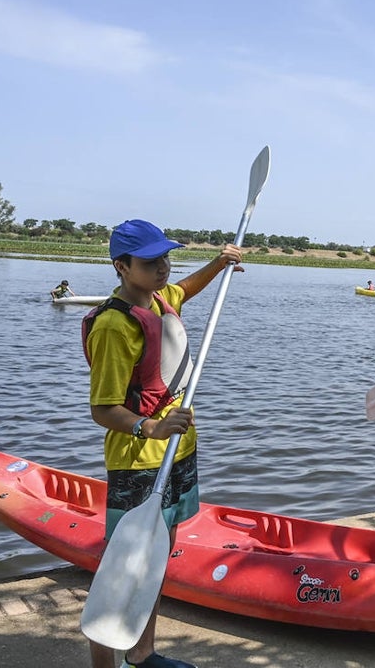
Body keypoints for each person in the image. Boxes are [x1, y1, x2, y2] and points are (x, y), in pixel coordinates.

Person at [83, 219, 243, 668]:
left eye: (166, 259)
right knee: (123, 566)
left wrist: (220, 262)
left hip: (177, 452)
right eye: (151, 262)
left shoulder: (158, 300)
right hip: (139, 460)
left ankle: (142, 653)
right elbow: (103, 408)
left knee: (155, 560)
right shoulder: (114, 327)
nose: (163, 268)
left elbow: (185, 290)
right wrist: (149, 428)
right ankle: (104, 664)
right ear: (121, 266)